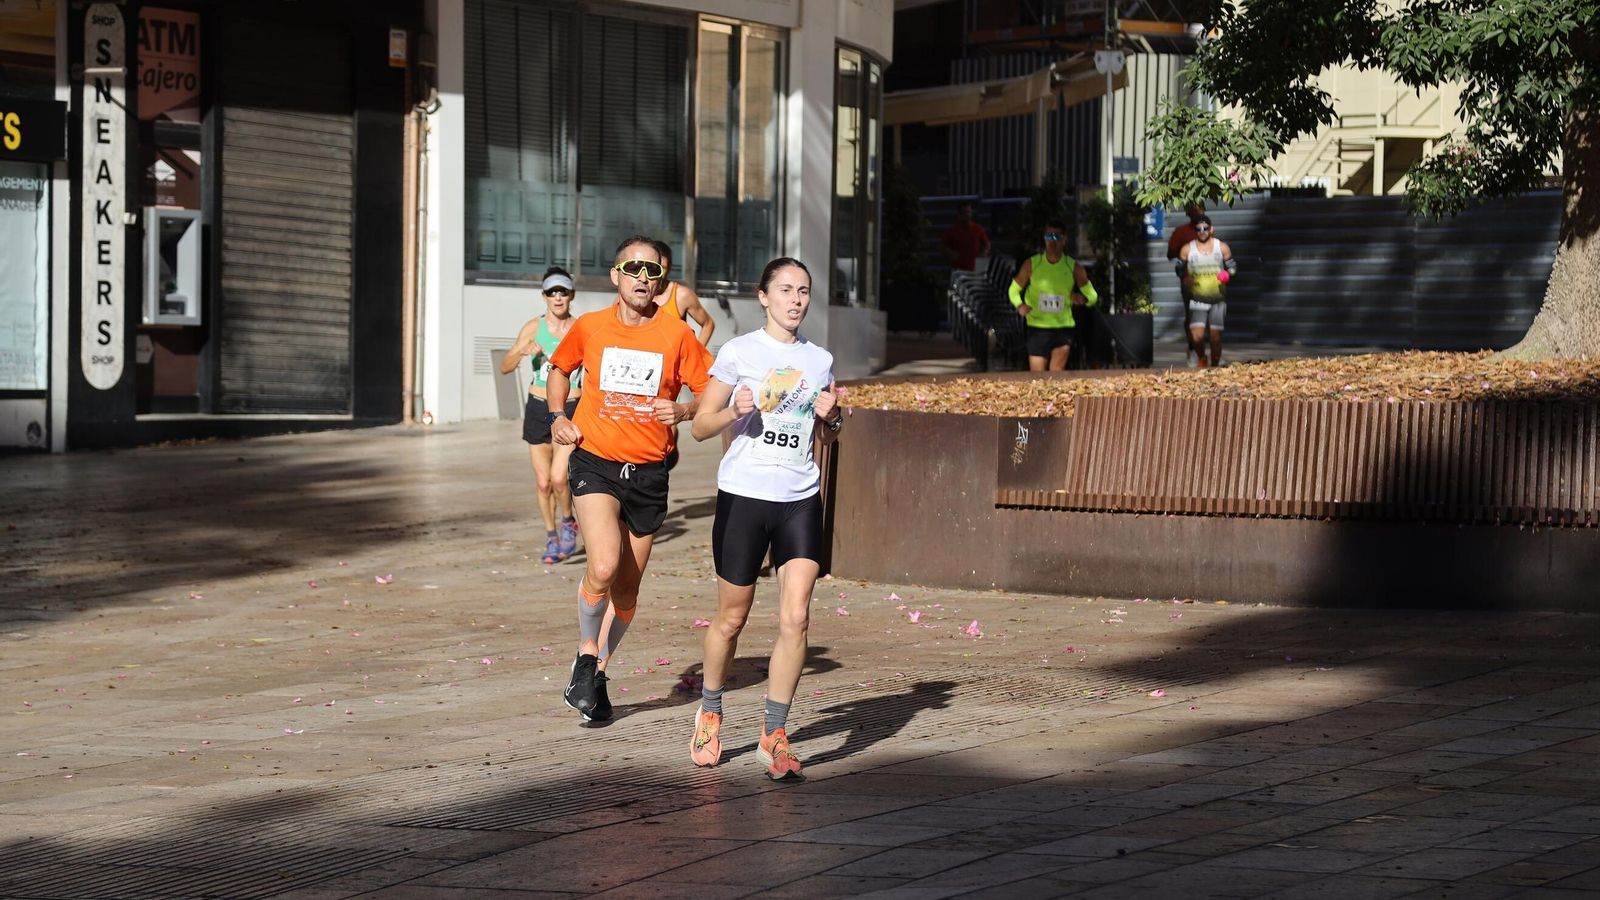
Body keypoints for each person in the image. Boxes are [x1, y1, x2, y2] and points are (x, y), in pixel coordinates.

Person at [546, 235, 713, 723]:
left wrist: (682, 409)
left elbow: (710, 393)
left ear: (662, 282)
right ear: (616, 275)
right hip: (595, 461)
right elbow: (559, 369)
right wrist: (558, 415)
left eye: (652, 271)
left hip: (648, 473)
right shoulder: (591, 326)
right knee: (602, 565)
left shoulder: (677, 336)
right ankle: (584, 651)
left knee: (627, 592)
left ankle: (596, 670)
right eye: (633, 269)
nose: (643, 278)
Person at [686, 257, 840, 781]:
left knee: (796, 618)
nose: (796, 300)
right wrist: (735, 409)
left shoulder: (820, 360)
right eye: (786, 290)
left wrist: (832, 416)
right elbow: (700, 427)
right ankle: (710, 709)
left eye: (803, 291)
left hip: (800, 496)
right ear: (763, 296)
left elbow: (829, 431)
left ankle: (774, 733)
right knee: (731, 619)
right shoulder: (738, 352)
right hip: (745, 497)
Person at [500, 267, 582, 564]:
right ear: (544, 297)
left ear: (571, 295)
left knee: (560, 478)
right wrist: (524, 349)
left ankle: (569, 521)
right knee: (543, 481)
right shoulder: (534, 327)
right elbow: (505, 367)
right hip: (537, 408)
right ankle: (551, 535)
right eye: (552, 292)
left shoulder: (581, 327)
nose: (557, 297)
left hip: (570, 408)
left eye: (562, 291)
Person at [1007, 218, 1100, 371]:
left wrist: (1083, 299)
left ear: (1064, 240)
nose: (1052, 241)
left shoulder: (1073, 267)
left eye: (1056, 237)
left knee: (1055, 377)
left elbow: (1093, 296)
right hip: (1037, 327)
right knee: (1037, 379)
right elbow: (1013, 289)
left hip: (1063, 328)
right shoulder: (1032, 264)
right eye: (1048, 236)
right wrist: (1019, 305)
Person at [1177, 214, 1236, 368]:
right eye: (1199, 229)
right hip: (1197, 299)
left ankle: (1215, 366)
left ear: (1211, 229)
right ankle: (1202, 358)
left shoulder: (1221, 247)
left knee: (1216, 337)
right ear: (1195, 231)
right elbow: (1179, 269)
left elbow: (1233, 268)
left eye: (1205, 228)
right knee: (1197, 336)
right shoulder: (1187, 249)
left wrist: (1228, 274)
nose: (1202, 231)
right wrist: (1185, 278)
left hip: (1217, 299)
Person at [1166, 203, 1206, 364]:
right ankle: (1193, 349)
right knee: (1191, 315)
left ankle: (1205, 351)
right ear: (1187, 212)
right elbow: (1171, 254)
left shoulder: (1208, 229)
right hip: (1189, 279)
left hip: (1208, 279)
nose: (1196, 212)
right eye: (1193, 209)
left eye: (1199, 208)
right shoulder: (1181, 232)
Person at [941, 201, 991, 272]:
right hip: (958, 269)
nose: (967, 215)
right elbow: (942, 247)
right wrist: (950, 253)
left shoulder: (978, 229)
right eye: (965, 212)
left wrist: (984, 253)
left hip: (975, 269)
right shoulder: (952, 230)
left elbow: (987, 244)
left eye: (969, 212)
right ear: (959, 214)